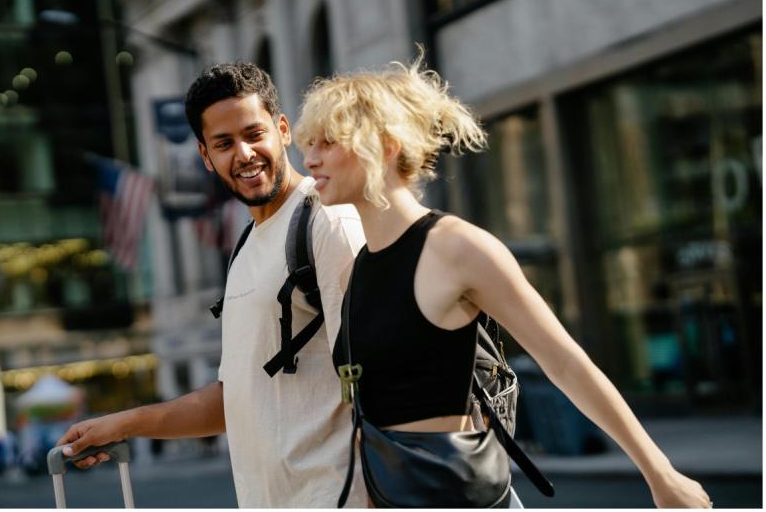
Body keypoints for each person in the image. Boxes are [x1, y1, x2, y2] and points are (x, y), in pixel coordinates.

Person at [294, 51, 714, 509]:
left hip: (460, 496)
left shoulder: (458, 248)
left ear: (386, 145)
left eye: (328, 142)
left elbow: (566, 362)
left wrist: (659, 472)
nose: (310, 158)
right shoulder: (359, 268)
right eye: (308, 143)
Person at [57, 62, 368, 507]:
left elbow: (379, 372)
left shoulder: (328, 222)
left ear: (283, 130)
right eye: (224, 143)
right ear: (205, 156)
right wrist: (123, 423)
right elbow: (236, 399)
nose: (243, 154)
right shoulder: (246, 245)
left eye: (253, 133)